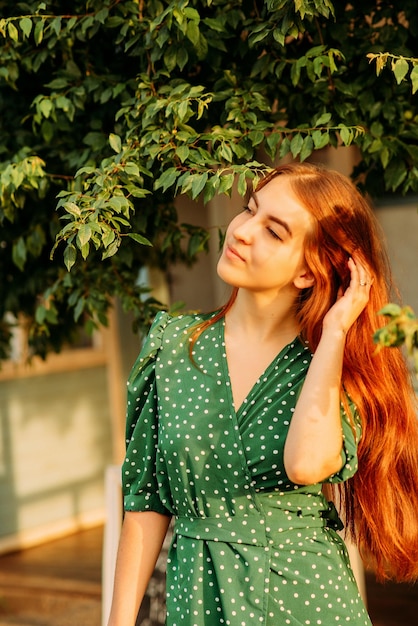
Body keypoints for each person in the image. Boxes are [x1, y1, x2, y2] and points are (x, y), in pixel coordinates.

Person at [107, 162, 418, 626]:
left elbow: (307, 464)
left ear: (308, 274)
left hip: (305, 599)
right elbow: (145, 504)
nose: (243, 231)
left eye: (274, 232)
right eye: (249, 210)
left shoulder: (331, 366)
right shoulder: (173, 344)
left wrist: (333, 332)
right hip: (198, 599)